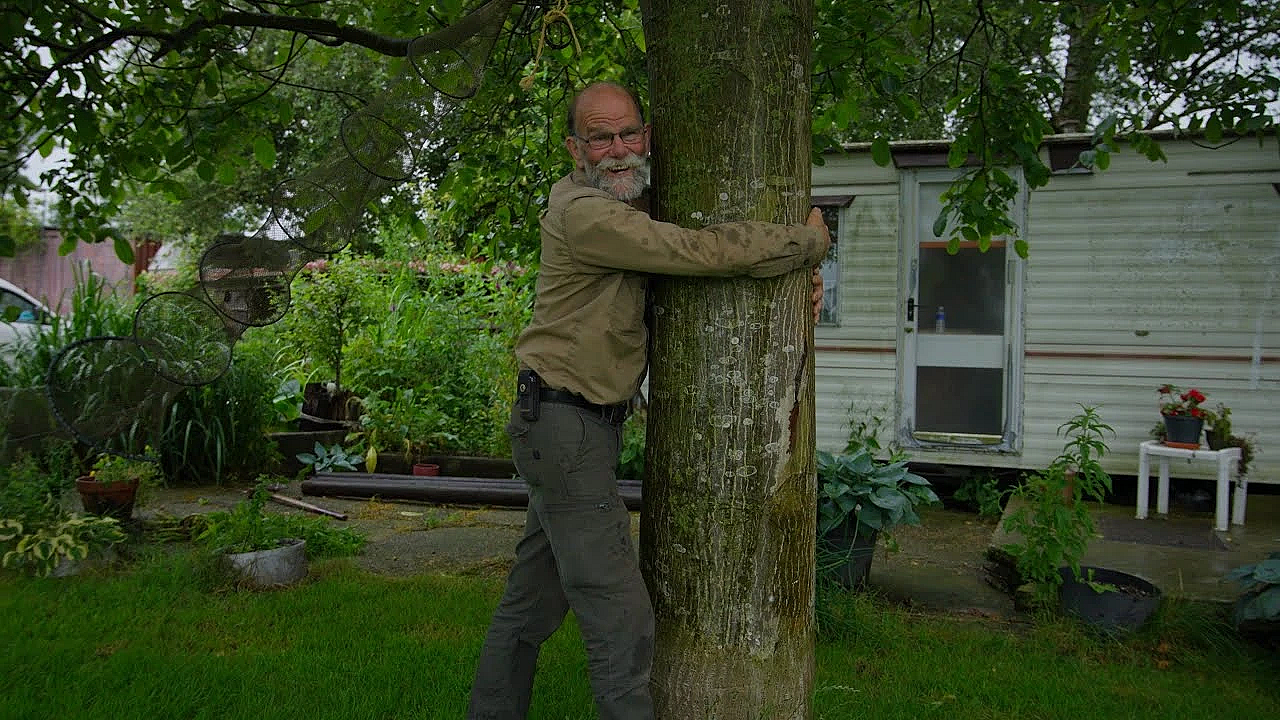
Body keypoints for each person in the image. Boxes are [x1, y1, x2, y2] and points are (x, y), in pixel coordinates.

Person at [467, 81, 830, 720]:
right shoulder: (586, 215)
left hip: (566, 427)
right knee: (621, 618)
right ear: (575, 147)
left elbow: (659, 293)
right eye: (600, 137)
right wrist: (803, 246)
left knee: (532, 604)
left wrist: (796, 291)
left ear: (647, 136)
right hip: (564, 429)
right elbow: (695, 251)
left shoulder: (624, 212)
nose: (617, 149)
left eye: (628, 133)